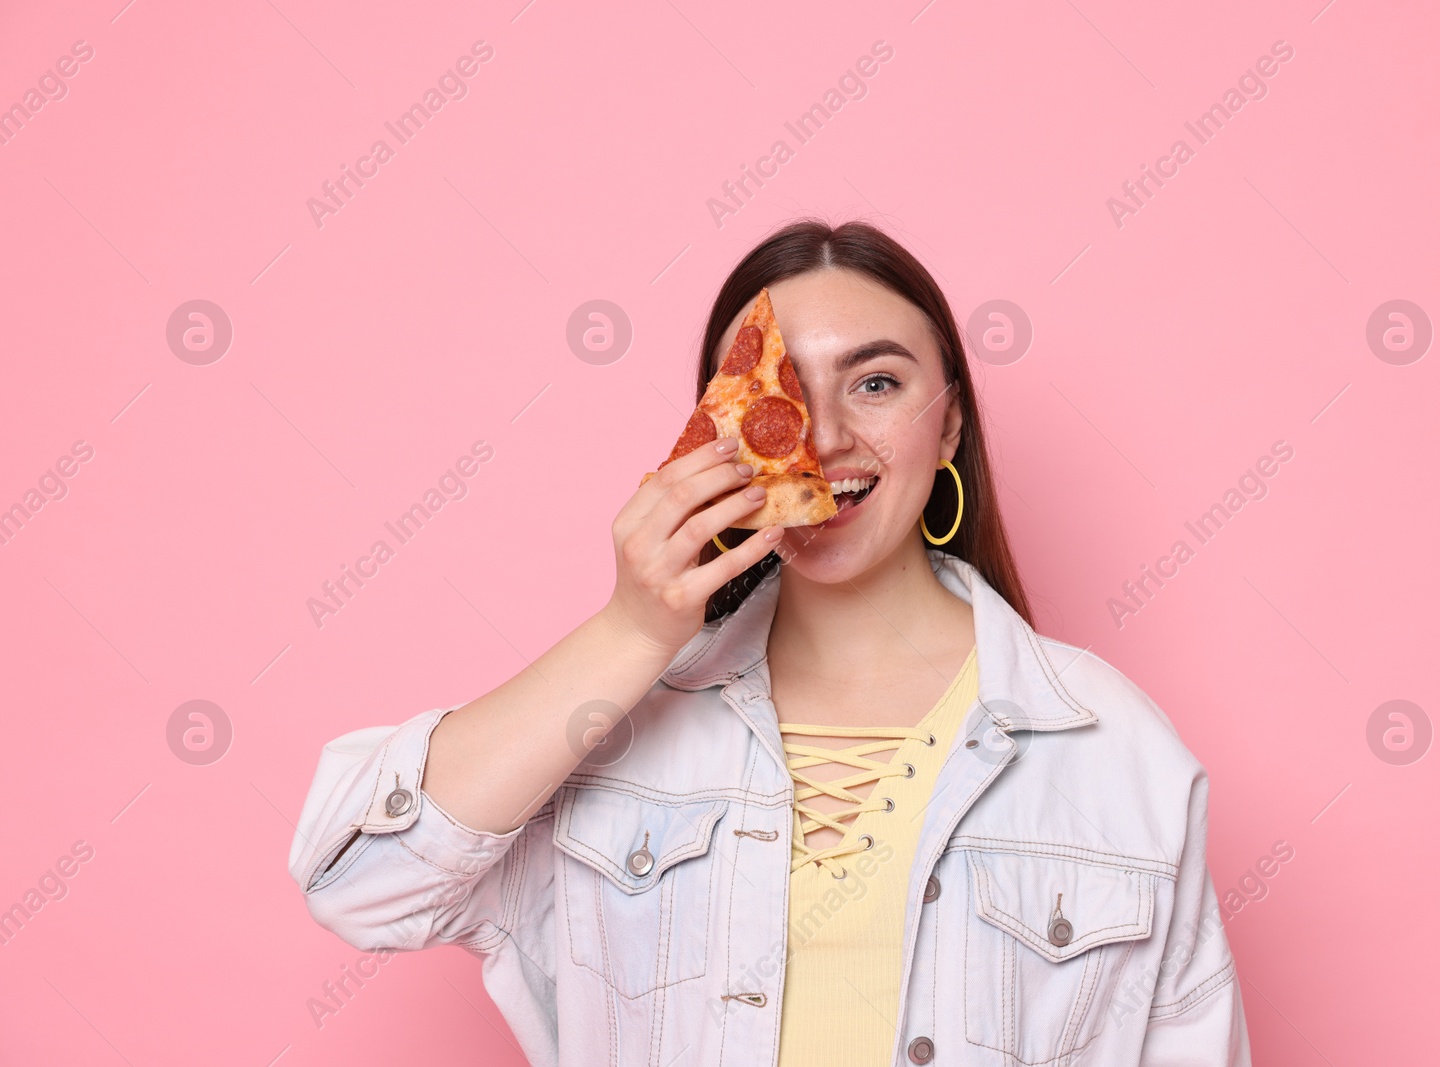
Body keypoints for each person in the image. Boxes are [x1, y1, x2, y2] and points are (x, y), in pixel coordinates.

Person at [289, 219, 1251, 1065]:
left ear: (949, 421)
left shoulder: (1112, 750)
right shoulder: (618, 725)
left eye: (876, 382)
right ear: (715, 428)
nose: (820, 437)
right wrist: (633, 629)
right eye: (778, 390)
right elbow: (357, 881)